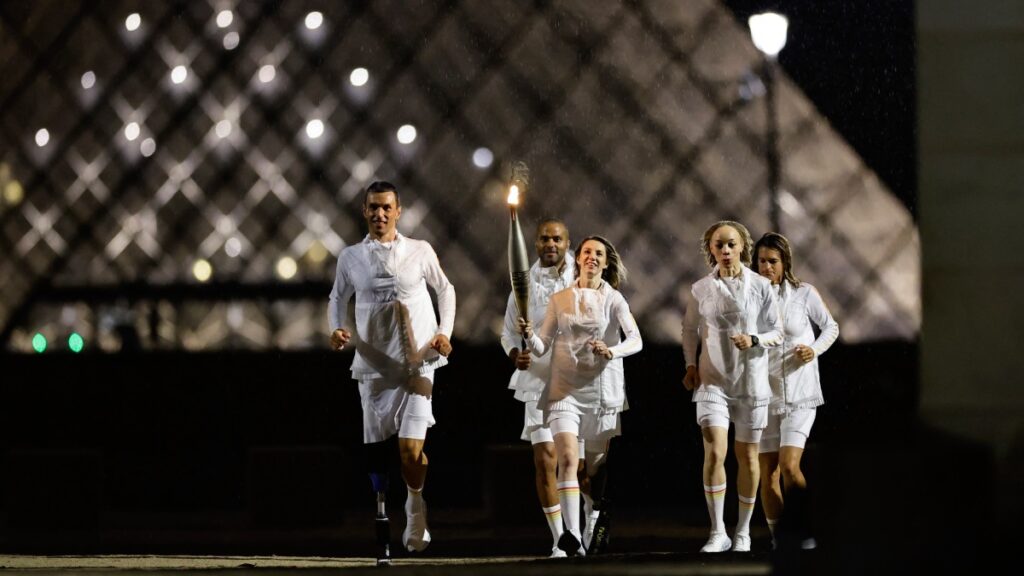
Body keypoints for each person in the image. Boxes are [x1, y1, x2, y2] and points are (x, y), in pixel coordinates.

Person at [327, 181, 455, 565]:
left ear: (398, 211)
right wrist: (335, 328)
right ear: (364, 211)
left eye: (386, 208)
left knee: (410, 451)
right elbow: (337, 297)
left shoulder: (420, 250)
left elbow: (445, 290)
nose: (380, 214)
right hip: (373, 365)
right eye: (373, 208)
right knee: (378, 451)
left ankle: (415, 503)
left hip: (418, 360)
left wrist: (443, 334)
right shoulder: (350, 257)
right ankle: (384, 512)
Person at [520, 235, 642, 556]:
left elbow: (636, 340)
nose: (591, 257)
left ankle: (594, 514)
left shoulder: (615, 299)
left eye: (598, 254)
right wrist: (529, 335)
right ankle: (571, 536)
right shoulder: (559, 299)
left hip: (602, 393)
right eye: (587, 252)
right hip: (565, 390)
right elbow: (541, 345)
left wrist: (612, 351)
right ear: (578, 258)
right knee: (568, 459)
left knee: (595, 468)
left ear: (606, 261)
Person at [681, 220, 782, 553]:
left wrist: (754, 339)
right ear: (710, 249)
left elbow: (777, 333)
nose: (725, 250)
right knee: (714, 451)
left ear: (742, 247)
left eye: (731, 244)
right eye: (718, 245)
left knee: (748, 457)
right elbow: (689, 330)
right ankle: (717, 531)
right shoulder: (700, 289)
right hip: (713, 383)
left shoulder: (761, 287)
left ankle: (742, 532)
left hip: (751, 384)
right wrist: (691, 365)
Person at [753, 232, 839, 550]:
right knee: (769, 472)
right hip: (764, 395)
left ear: (785, 262)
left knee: (790, 465)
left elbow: (831, 327)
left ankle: (804, 530)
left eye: (772, 261)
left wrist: (813, 350)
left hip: (801, 394)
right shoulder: (748, 298)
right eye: (761, 261)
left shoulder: (804, 294)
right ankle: (781, 539)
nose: (766, 267)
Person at [500, 218, 577, 557]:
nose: (550, 244)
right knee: (545, 458)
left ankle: (582, 529)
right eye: (544, 238)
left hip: (578, 380)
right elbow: (507, 333)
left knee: (578, 465)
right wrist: (516, 352)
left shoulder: (583, 276)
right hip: (537, 381)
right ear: (534, 243)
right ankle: (561, 538)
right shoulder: (524, 283)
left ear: (567, 242)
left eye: (557, 239)